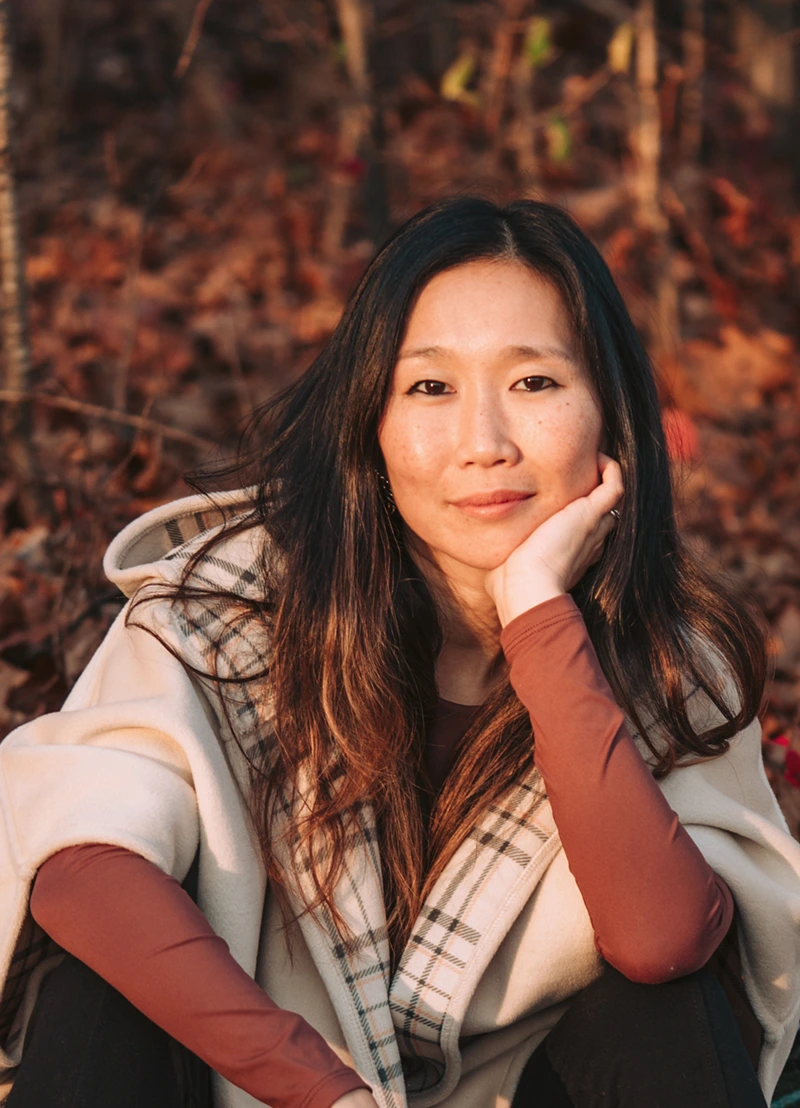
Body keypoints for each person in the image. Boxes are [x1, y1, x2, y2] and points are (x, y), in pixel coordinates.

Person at [0, 195, 799, 1108]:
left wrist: (539, 620)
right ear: (370, 425)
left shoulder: (668, 662)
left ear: (611, 413)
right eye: (430, 388)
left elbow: (663, 937)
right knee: (101, 983)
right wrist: (325, 1091)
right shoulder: (236, 603)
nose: (484, 443)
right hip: (269, 1090)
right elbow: (79, 864)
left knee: (671, 1003)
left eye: (535, 383)